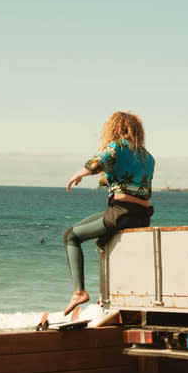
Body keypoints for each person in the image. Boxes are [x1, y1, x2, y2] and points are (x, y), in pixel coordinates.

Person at [63, 111, 155, 315]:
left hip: (121, 212)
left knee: (71, 237)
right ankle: (109, 294)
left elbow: (98, 162)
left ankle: (79, 292)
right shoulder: (148, 157)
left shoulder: (118, 146)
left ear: (114, 128)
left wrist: (80, 173)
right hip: (143, 216)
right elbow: (129, 182)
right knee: (103, 242)